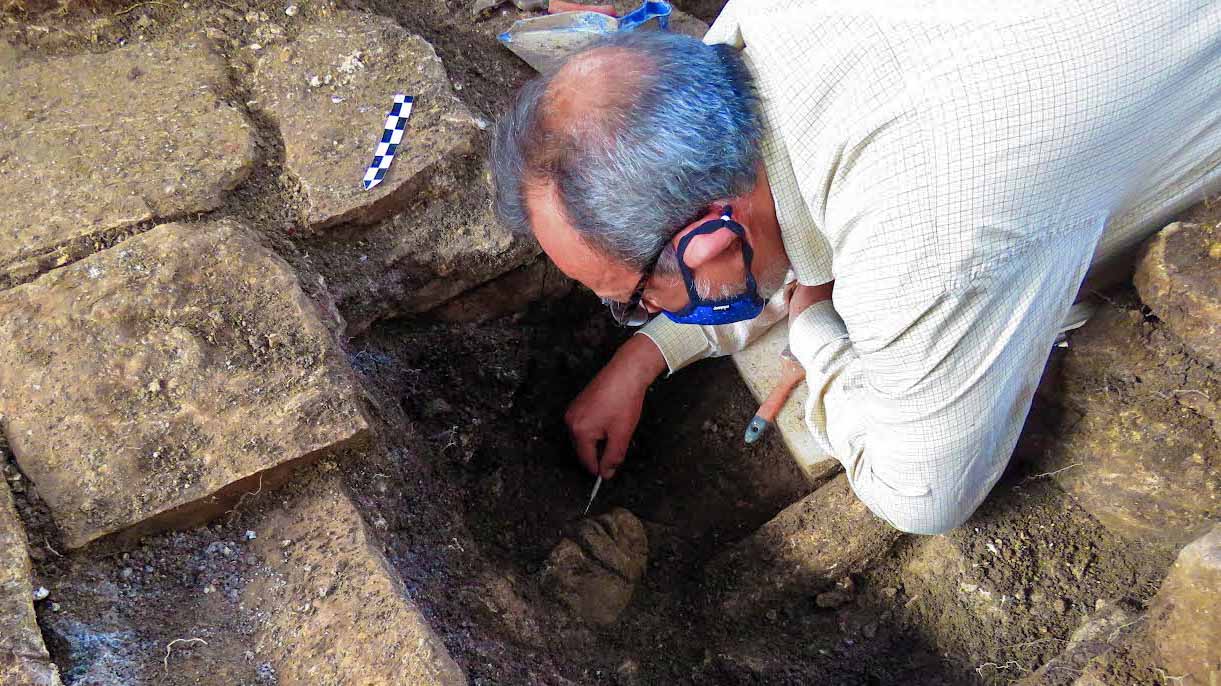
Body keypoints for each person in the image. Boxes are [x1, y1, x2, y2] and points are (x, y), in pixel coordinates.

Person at [490, 0, 1221, 534]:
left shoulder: (929, 230)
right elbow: (766, 236)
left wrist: (813, 327)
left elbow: (922, 494)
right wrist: (644, 358)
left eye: (635, 299)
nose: (644, 311)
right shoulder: (746, 41)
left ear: (708, 243)